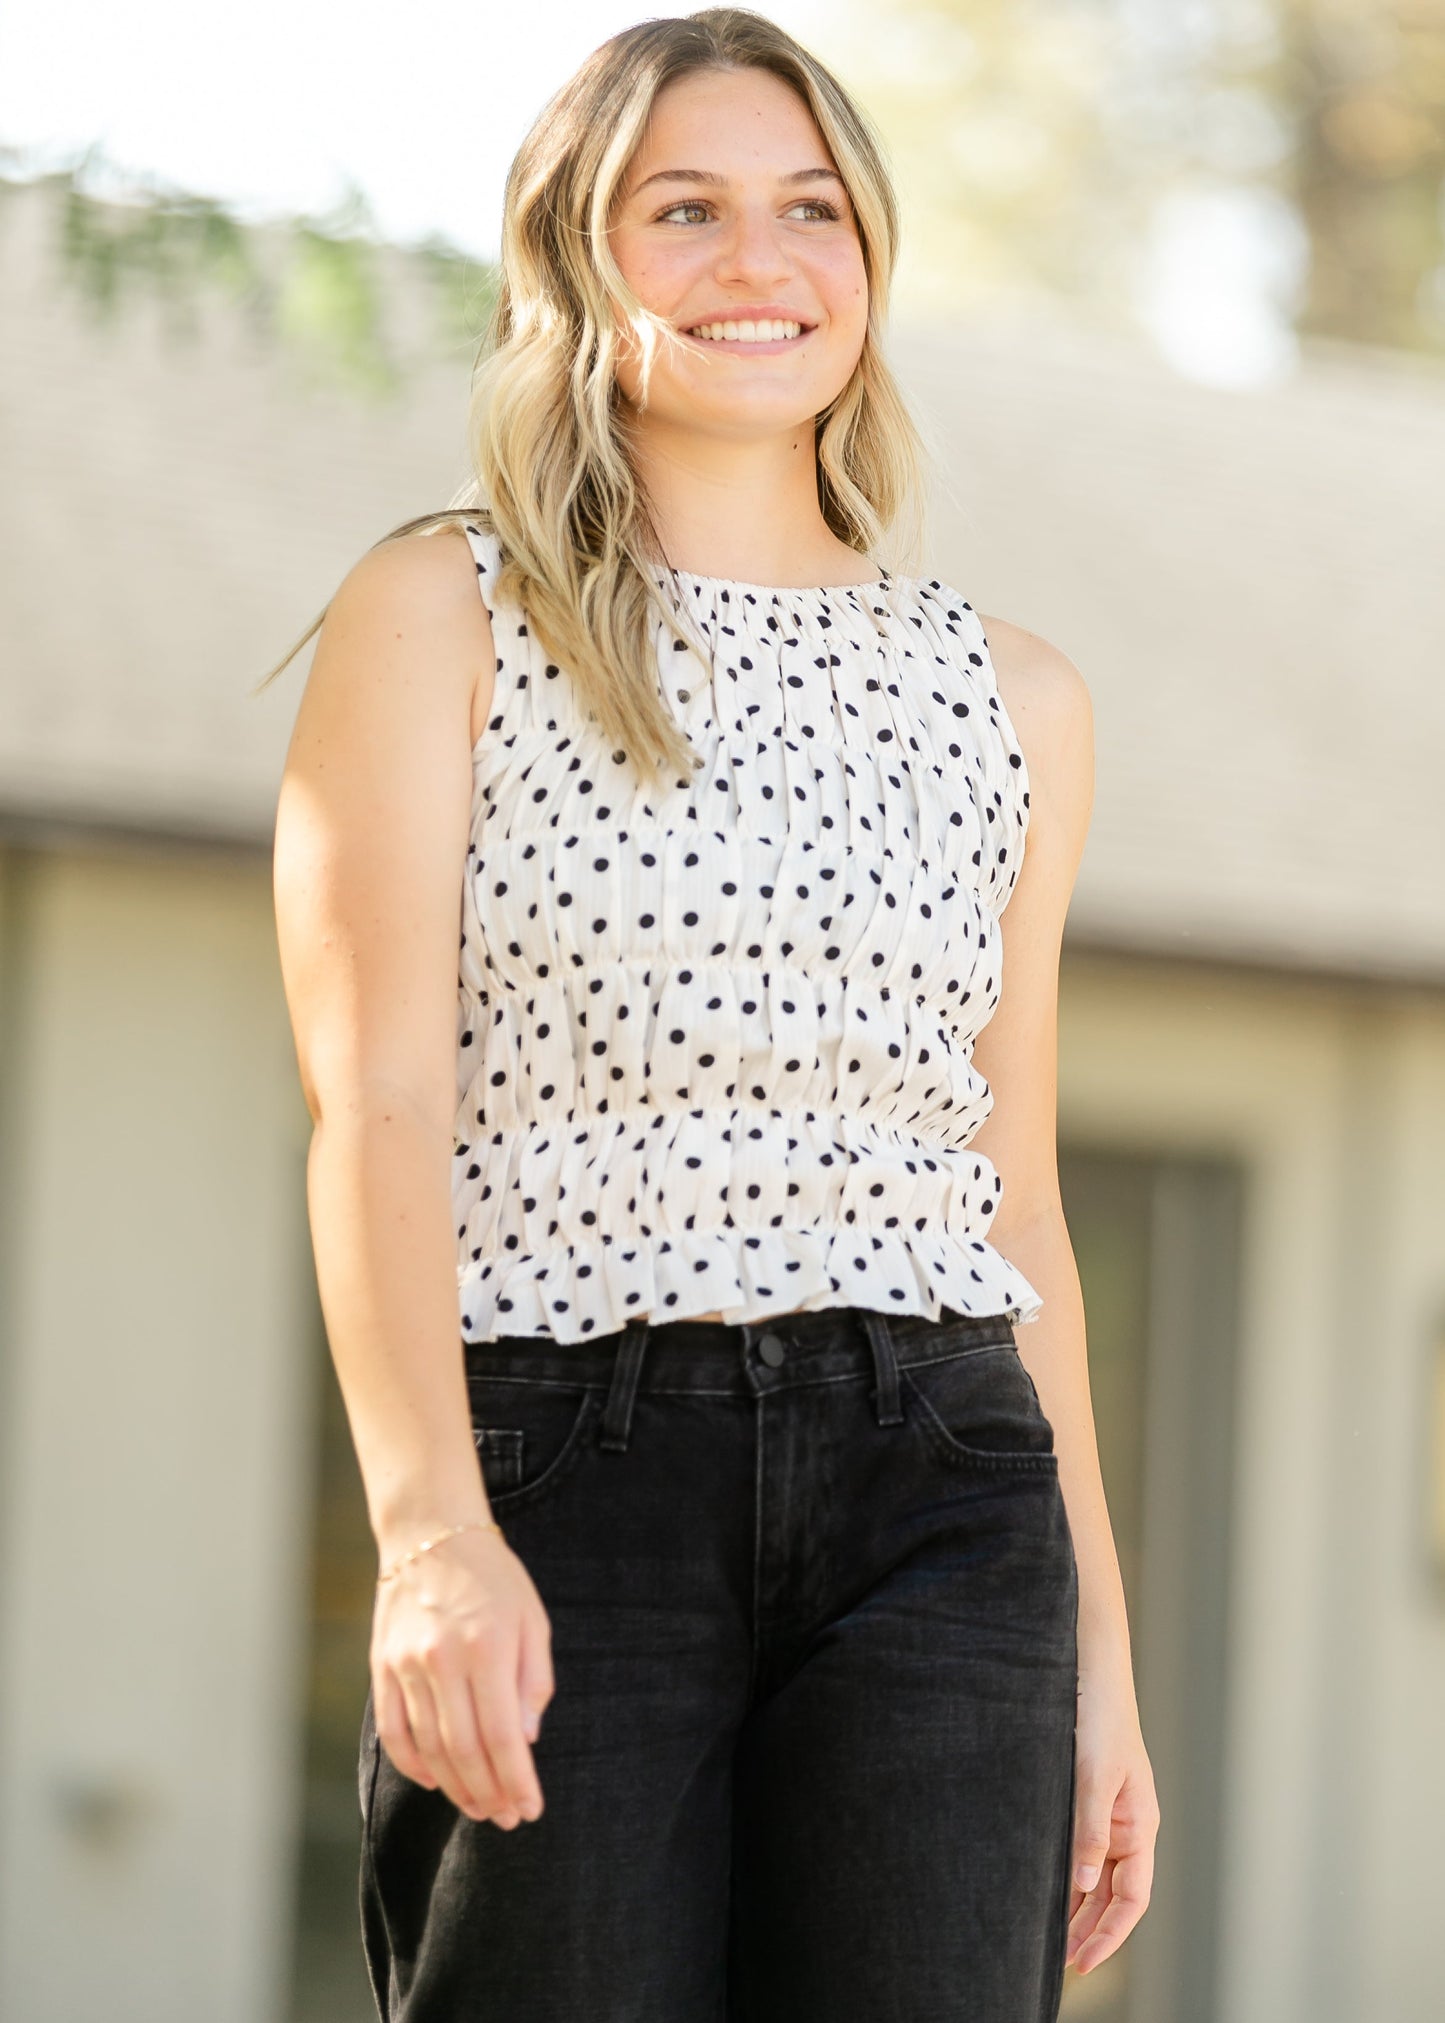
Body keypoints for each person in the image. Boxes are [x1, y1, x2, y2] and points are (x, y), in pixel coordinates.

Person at [268, 9, 1158, 2018]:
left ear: (872, 263)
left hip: (944, 1482)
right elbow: (379, 1103)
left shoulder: (1017, 701)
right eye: (687, 209)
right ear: (576, 258)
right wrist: (429, 1533)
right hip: (569, 1460)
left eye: (810, 210)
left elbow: (1011, 1201)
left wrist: (1098, 1653)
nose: (759, 262)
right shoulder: (442, 615)